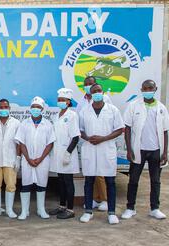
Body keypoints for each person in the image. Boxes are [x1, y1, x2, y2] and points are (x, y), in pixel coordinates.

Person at [122, 80, 169, 220]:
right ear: (141, 89)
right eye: (145, 88)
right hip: (139, 150)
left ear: (155, 89)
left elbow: (166, 131)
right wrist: (129, 149)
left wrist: (164, 152)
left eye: (150, 88)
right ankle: (130, 208)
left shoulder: (161, 107)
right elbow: (128, 128)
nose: (148, 90)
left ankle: (155, 208)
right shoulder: (134, 106)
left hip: (156, 150)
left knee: (155, 180)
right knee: (133, 180)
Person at [79, 84, 124, 224]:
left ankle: (111, 213)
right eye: (94, 92)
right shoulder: (84, 111)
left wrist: (103, 138)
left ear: (103, 92)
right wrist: (88, 138)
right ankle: (88, 212)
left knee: (110, 181)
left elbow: (120, 129)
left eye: (98, 91)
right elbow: (80, 130)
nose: (96, 93)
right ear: (90, 94)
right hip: (90, 148)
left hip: (106, 149)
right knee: (89, 181)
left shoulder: (112, 110)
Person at [76, 76, 113, 212]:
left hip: (102, 141)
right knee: (89, 173)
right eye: (86, 84)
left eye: (90, 84)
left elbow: (109, 120)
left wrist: (101, 138)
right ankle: (92, 199)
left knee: (101, 173)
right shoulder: (81, 101)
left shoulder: (105, 99)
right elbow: (79, 122)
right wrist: (86, 137)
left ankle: (104, 199)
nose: (88, 86)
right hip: (87, 141)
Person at [15, 97, 55, 220]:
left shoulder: (47, 124)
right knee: (26, 184)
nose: (35, 109)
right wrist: (28, 158)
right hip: (28, 160)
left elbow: (50, 143)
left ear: (42, 109)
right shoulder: (24, 123)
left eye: (38, 107)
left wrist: (40, 158)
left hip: (42, 160)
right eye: (33, 107)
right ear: (30, 109)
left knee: (41, 184)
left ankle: (41, 209)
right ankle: (24, 211)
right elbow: (21, 142)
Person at [49, 88, 80, 219]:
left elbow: (75, 137)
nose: (60, 101)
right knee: (60, 181)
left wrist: (68, 153)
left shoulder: (72, 115)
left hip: (67, 154)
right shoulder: (56, 116)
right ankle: (62, 206)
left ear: (68, 102)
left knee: (68, 182)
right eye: (59, 99)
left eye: (63, 100)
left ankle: (71, 209)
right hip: (57, 153)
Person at [0, 98, 21, 219]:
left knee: (11, 185)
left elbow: (19, 143)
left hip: (10, 159)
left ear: (9, 109)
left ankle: (9, 209)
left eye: (6, 107)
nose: (3, 109)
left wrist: (18, 158)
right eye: (1, 107)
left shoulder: (16, 123)